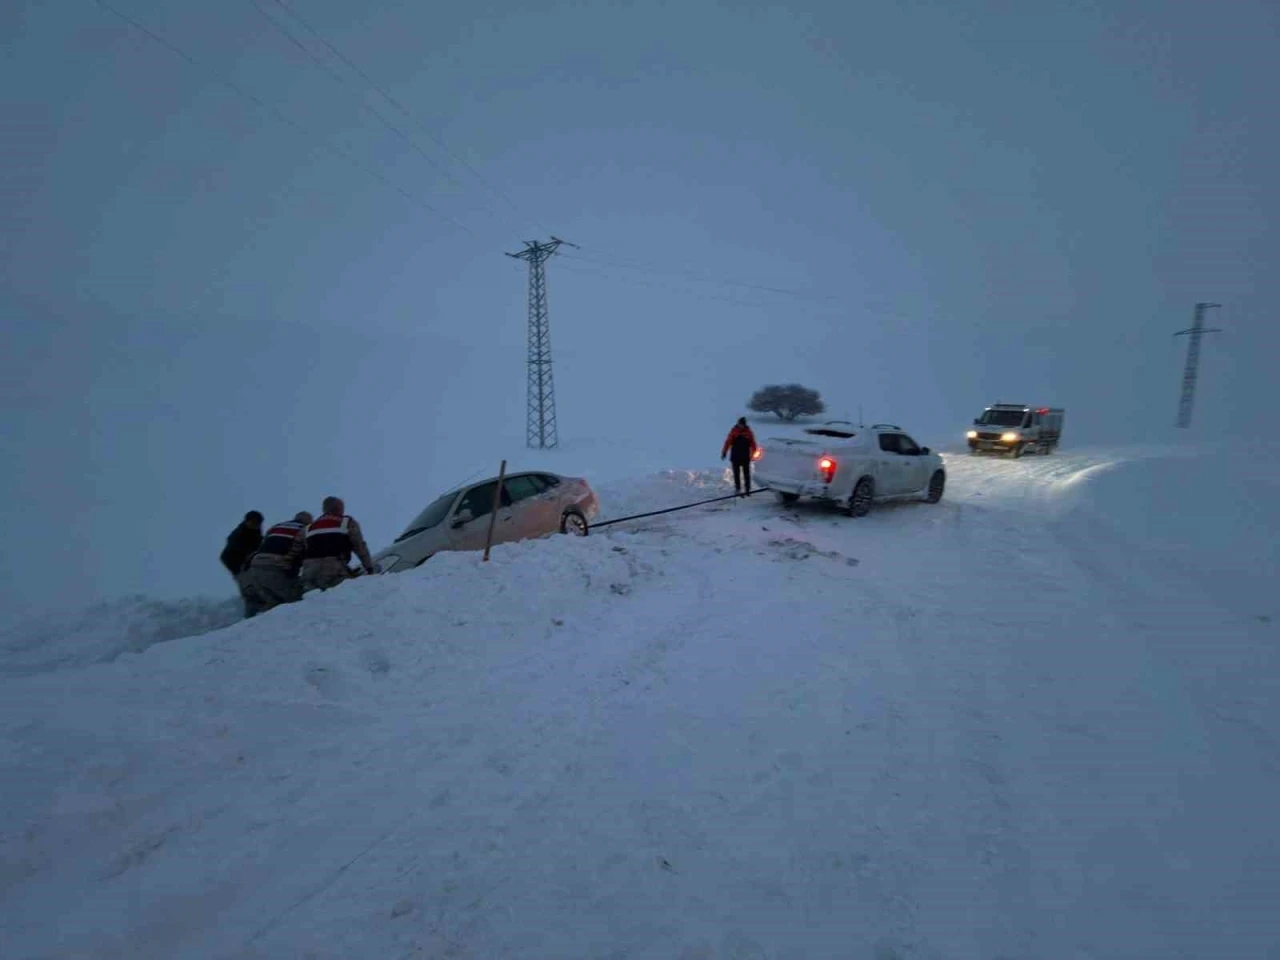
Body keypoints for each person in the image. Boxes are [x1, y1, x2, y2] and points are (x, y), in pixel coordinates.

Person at [239, 511, 313, 617]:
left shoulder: (276, 527)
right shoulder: (304, 529)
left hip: (255, 568)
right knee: (297, 601)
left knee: (274, 607)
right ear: (308, 521)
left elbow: (262, 545)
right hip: (275, 567)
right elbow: (301, 552)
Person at [300, 496, 377, 593]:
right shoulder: (346, 522)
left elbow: (301, 551)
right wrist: (369, 568)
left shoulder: (308, 528)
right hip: (333, 572)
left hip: (309, 574)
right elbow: (359, 547)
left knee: (314, 603)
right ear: (340, 508)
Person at [721, 416, 758, 497]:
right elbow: (728, 442)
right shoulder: (734, 431)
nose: (741, 426)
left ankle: (747, 490)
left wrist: (754, 453)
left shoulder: (748, 432)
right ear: (738, 424)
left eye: (742, 424)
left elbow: (753, 444)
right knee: (736, 474)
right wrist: (724, 452)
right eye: (740, 424)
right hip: (735, 456)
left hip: (745, 456)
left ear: (744, 424)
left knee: (746, 474)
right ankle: (738, 489)